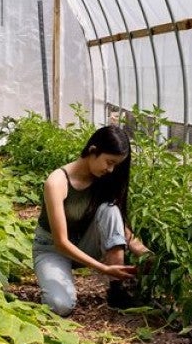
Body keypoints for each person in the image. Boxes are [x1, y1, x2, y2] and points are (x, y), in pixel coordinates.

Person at [33, 125, 151, 316]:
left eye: (116, 165)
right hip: (53, 249)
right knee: (60, 305)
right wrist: (104, 268)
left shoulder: (103, 179)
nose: (111, 170)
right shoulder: (56, 182)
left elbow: (116, 222)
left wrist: (145, 254)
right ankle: (53, 278)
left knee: (111, 209)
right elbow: (61, 243)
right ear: (93, 150)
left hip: (85, 242)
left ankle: (117, 291)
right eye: (109, 162)